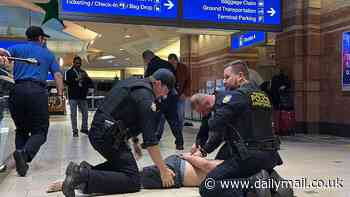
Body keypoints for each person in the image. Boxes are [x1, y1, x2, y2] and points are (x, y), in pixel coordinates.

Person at [62, 69, 177, 197]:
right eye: (165, 91)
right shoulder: (146, 97)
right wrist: (163, 170)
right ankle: (82, 175)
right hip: (108, 136)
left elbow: (128, 114)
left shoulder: (134, 83)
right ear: (158, 83)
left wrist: (135, 143)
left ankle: (83, 172)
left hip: (100, 131)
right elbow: (150, 141)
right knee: (133, 179)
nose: (163, 96)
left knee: (126, 167)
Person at [191, 60, 284, 197]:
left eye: (227, 77)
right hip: (271, 156)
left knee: (207, 186)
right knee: (227, 170)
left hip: (249, 157)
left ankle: (252, 185)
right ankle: (270, 182)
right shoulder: (263, 96)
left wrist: (212, 114)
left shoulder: (236, 96)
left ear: (240, 76)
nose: (224, 81)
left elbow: (215, 125)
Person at [0, 26, 64, 177]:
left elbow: (3, 54)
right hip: (37, 92)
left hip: (17, 91)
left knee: (21, 129)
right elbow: (58, 76)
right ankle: (24, 155)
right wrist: (60, 95)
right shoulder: (47, 53)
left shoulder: (16, 48)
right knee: (40, 130)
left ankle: (21, 164)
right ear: (41, 38)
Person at [142, 50, 184, 150]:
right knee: (174, 120)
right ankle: (179, 143)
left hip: (158, 97)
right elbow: (175, 79)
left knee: (154, 119)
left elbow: (149, 81)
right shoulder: (167, 64)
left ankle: (149, 142)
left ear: (146, 59)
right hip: (171, 96)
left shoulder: (151, 65)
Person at [65, 56, 93, 137]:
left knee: (85, 113)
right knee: (73, 114)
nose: (78, 64)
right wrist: (78, 79)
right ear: (73, 63)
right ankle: (75, 130)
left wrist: (87, 80)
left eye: (79, 63)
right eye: (77, 63)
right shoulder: (69, 72)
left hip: (82, 96)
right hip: (73, 96)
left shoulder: (83, 72)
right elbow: (68, 82)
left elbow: (89, 81)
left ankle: (84, 128)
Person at [168, 53, 191, 134]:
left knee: (180, 116)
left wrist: (184, 93)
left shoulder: (183, 68)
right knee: (167, 117)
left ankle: (179, 132)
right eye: (170, 63)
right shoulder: (167, 68)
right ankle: (159, 135)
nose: (172, 65)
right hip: (169, 97)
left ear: (177, 61)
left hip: (180, 95)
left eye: (174, 63)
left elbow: (188, 82)